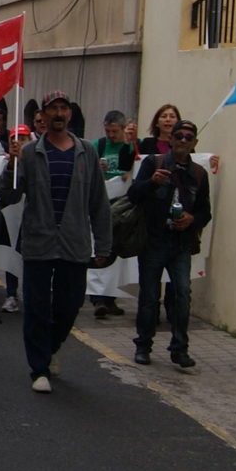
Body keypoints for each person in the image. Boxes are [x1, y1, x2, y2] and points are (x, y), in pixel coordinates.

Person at [2, 90, 111, 393]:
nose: (59, 114)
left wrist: (103, 245)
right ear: (44, 116)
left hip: (74, 243)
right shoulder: (29, 153)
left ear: (70, 114)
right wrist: (11, 164)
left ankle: (49, 348)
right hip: (39, 241)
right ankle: (38, 369)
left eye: (63, 108)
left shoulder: (86, 151)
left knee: (70, 304)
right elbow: (9, 195)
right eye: (53, 109)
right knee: (36, 306)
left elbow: (98, 202)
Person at [126, 120, 213, 367]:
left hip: (181, 244)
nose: (184, 141)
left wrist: (192, 219)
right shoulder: (154, 164)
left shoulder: (198, 174)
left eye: (189, 137)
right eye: (179, 136)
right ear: (171, 140)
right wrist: (151, 182)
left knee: (183, 293)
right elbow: (133, 195)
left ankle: (180, 349)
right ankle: (143, 345)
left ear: (195, 142)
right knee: (149, 297)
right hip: (153, 241)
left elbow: (206, 212)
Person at [89, 109, 138, 319]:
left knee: (117, 251)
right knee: (101, 249)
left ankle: (110, 298)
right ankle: (98, 298)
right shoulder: (97, 146)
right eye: (107, 131)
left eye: (114, 131)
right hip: (102, 205)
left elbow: (139, 165)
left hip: (123, 206)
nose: (110, 135)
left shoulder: (133, 144)